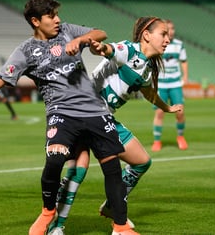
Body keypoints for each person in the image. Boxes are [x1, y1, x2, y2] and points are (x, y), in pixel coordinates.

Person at [0, 0, 132, 235]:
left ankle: (121, 227)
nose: (57, 19)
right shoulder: (25, 51)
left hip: (95, 110)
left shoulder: (67, 31)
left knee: (112, 167)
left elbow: (101, 33)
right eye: (51, 16)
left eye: (56, 14)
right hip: (61, 113)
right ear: (35, 21)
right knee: (54, 160)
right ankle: (48, 212)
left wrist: (82, 39)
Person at [48, 17, 183, 235]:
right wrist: (100, 47)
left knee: (141, 161)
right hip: (84, 112)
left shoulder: (147, 67)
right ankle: (56, 226)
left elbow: (148, 91)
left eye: (168, 35)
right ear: (147, 35)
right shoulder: (129, 50)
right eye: (163, 34)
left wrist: (166, 108)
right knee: (79, 169)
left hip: (105, 118)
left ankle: (113, 207)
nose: (168, 39)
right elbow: (109, 50)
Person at [152, 19, 189, 152]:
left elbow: (184, 61)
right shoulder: (157, 44)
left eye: (172, 28)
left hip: (175, 84)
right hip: (161, 84)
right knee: (159, 112)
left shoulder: (179, 45)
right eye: (168, 29)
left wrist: (185, 76)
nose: (171, 31)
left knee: (180, 112)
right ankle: (157, 141)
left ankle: (180, 137)